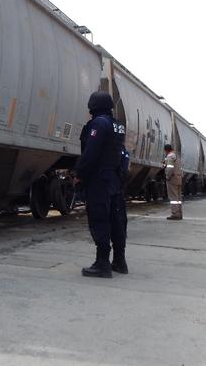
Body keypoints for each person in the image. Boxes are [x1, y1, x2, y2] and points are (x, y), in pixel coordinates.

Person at [74, 91, 128, 277]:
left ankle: (102, 263)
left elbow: (91, 153)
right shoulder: (118, 126)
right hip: (114, 179)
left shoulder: (99, 124)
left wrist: (80, 174)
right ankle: (120, 261)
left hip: (99, 180)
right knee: (116, 221)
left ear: (92, 107)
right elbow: (122, 153)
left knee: (99, 220)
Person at [163, 143, 183, 220]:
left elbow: (170, 168)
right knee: (178, 198)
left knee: (173, 198)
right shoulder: (177, 157)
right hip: (178, 178)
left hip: (172, 179)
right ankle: (179, 213)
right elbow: (180, 169)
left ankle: (175, 214)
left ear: (166, 150)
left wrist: (167, 176)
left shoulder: (170, 156)